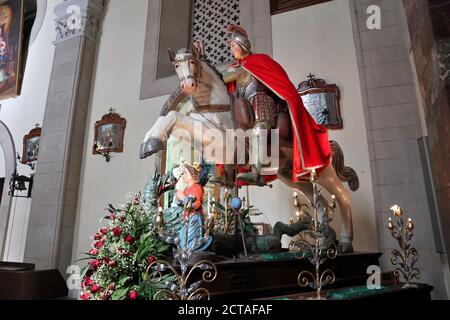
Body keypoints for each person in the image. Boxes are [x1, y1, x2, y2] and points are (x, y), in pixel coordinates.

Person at [224, 25, 332, 183]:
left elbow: (279, 84)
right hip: (245, 107)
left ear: (243, 46)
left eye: (233, 46)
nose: (232, 51)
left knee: (258, 130)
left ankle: (256, 171)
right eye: (231, 47)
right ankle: (227, 173)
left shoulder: (260, 60)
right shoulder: (235, 69)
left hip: (262, 103)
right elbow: (220, 81)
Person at [174, 162, 212, 252]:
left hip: (194, 218)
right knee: (182, 240)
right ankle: (186, 254)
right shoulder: (187, 189)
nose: (183, 175)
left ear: (193, 175)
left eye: (185, 173)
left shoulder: (197, 187)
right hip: (186, 219)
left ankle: (196, 250)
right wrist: (178, 199)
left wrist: (183, 198)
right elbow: (184, 203)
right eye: (183, 173)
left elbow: (197, 204)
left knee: (190, 241)